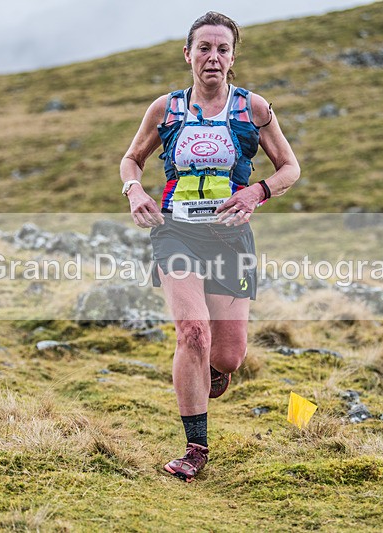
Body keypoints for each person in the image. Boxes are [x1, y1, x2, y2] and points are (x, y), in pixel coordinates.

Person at [120, 11, 300, 482]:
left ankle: (214, 373)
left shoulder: (253, 109)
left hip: (230, 237)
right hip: (176, 231)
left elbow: (290, 168)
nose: (213, 57)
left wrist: (257, 192)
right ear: (188, 55)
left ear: (233, 57)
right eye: (204, 48)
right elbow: (131, 159)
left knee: (227, 355)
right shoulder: (166, 109)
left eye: (222, 49)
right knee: (193, 333)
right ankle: (195, 448)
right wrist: (135, 191)